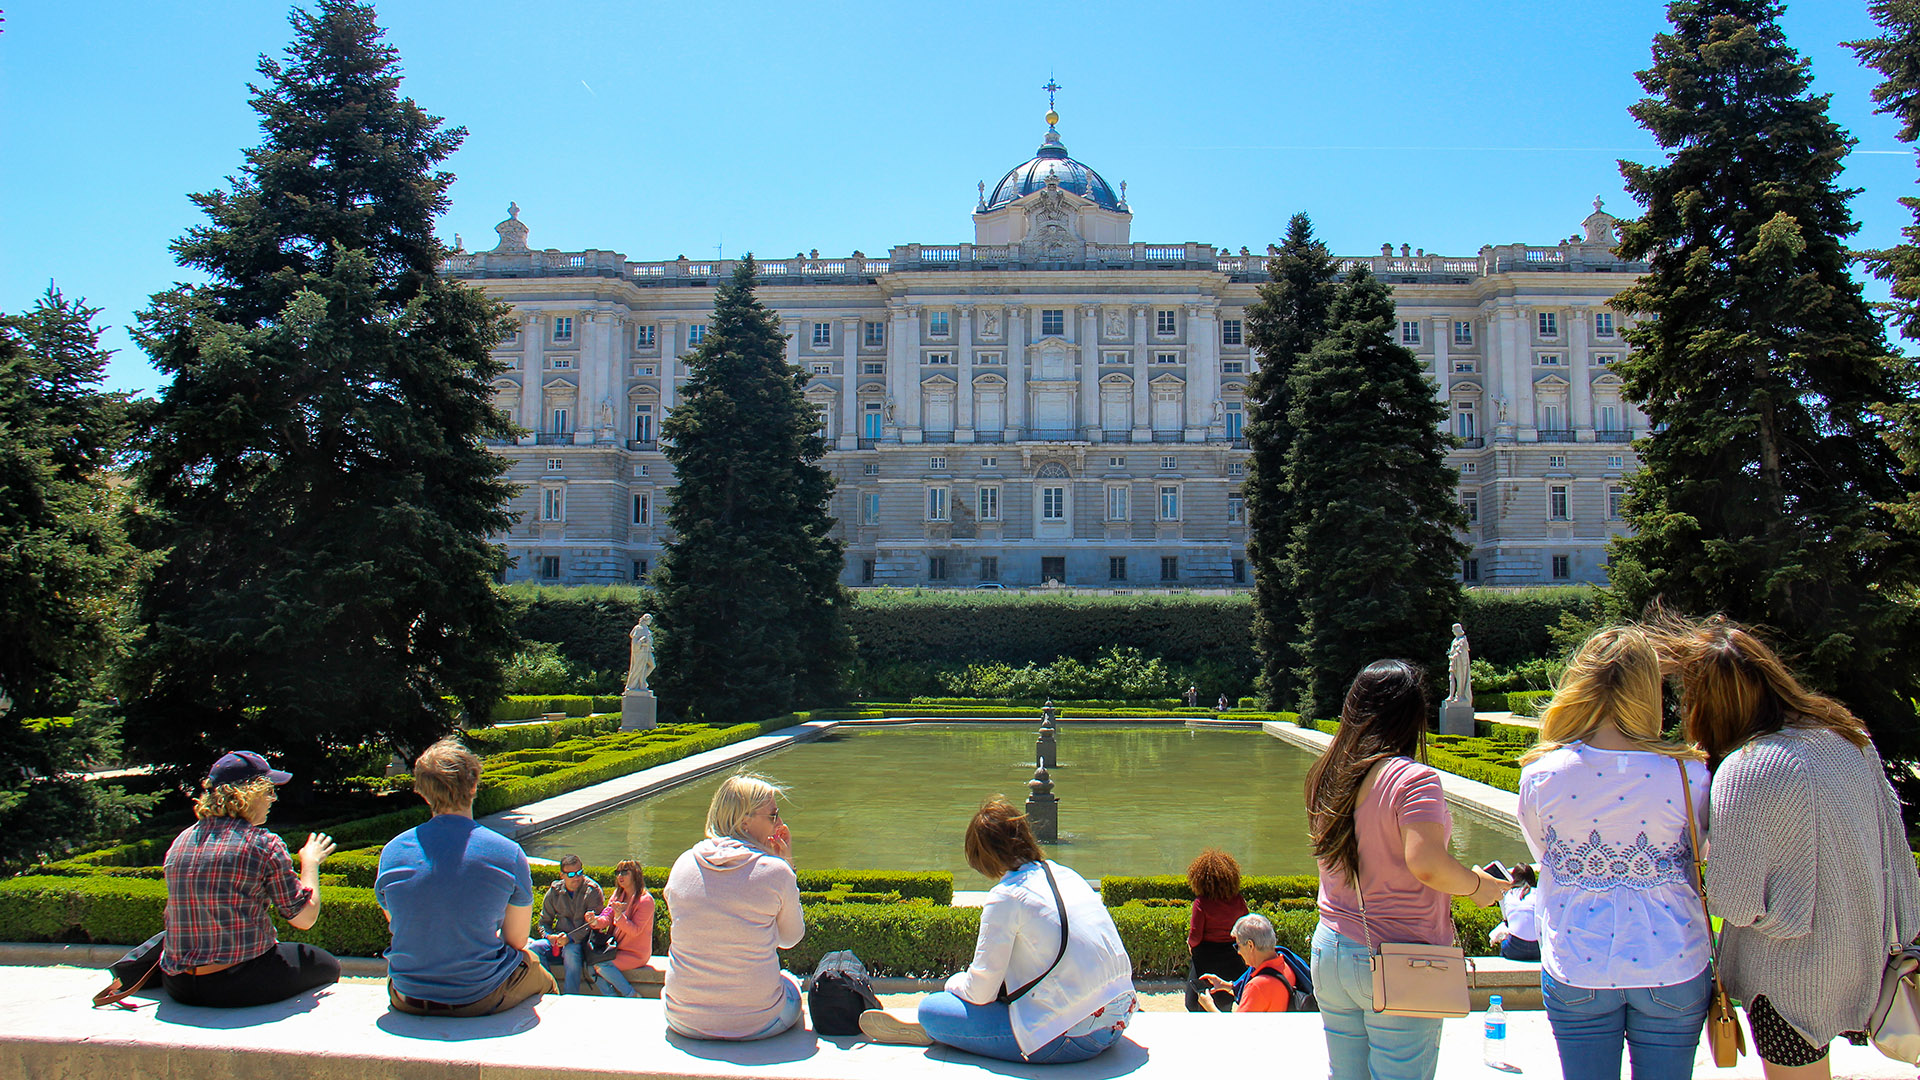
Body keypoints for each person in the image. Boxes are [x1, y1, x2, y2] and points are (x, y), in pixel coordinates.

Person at [1657, 615, 1920, 1080]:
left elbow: (1732, 901)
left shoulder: (1747, 767)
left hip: (1786, 980)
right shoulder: (1848, 738)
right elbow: (1895, 851)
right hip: (1866, 959)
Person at [1516, 627, 1711, 1080]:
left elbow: (1543, 854)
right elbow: (1699, 854)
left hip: (1579, 959)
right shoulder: (1688, 772)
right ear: (1649, 690)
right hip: (1673, 958)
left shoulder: (1543, 775)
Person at [1305, 659, 1509, 1080]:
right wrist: (1478, 886)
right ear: (1412, 716)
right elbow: (1429, 866)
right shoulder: (1412, 780)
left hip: (1330, 948)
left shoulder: (1329, 773)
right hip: (1400, 953)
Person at [859, 799, 1137, 1063]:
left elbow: (980, 992)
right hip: (1118, 1020)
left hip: (1069, 1038)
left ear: (984, 857)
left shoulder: (1006, 895)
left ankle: (941, 1032)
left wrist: (953, 982)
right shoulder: (1066, 874)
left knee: (932, 1010)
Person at [377, 738, 556, 1017]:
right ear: (473, 785)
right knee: (536, 967)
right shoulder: (507, 853)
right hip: (477, 996)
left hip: (406, 994)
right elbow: (517, 940)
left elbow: (402, 923)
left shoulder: (392, 851)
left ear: (423, 793)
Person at [160, 750, 340, 1007]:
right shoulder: (263, 843)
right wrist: (310, 862)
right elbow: (304, 918)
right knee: (326, 965)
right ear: (249, 793)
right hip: (237, 983)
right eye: (269, 791)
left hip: (179, 985)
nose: (273, 798)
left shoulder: (182, 839)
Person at [662, 772, 805, 1039]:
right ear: (745, 821)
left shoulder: (683, 863)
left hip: (682, 1018)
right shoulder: (776, 871)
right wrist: (787, 866)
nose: (781, 823)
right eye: (773, 815)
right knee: (791, 985)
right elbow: (790, 938)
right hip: (759, 1023)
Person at [1184, 847, 1249, 1012]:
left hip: (1205, 956)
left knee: (1194, 1003)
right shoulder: (1238, 900)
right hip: (1232, 956)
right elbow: (1245, 926)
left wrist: (1190, 945)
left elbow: (1195, 936)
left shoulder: (1201, 903)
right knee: (1225, 1001)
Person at [1196, 913, 1301, 1013]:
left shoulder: (1256, 987)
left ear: (1250, 945)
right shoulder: (1286, 964)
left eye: (1238, 946)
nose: (1238, 952)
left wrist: (1209, 1006)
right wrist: (1227, 986)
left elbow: (1237, 1029)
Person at [531, 854, 605, 994]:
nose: (577, 877)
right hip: (559, 941)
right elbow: (543, 922)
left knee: (571, 951)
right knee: (535, 948)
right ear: (562, 875)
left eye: (579, 872)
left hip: (583, 944)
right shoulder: (554, 891)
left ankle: (571, 996)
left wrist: (569, 939)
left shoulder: (592, 891)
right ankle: (549, 988)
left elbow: (590, 925)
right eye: (571, 874)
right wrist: (549, 936)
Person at [587, 859, 657, 997]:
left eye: (625, 872)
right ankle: (611, 997)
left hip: (635, 953)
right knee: (589, 965)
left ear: (635, 874)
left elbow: (635, 931)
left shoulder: (645, 901)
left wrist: (619, 917)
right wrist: (595, 921)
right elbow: (606, 916)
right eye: (617, 872)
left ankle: (631, 994)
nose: (620, 876)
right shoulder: (617, 895)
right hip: (617, 949)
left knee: (601, 965)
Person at [1488, 870, 1540, 963]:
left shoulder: (1509, 894)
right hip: (1539, 948)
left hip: (1514, 948)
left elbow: (1506, 920)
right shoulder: (1539, 893)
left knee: (1504, 943)